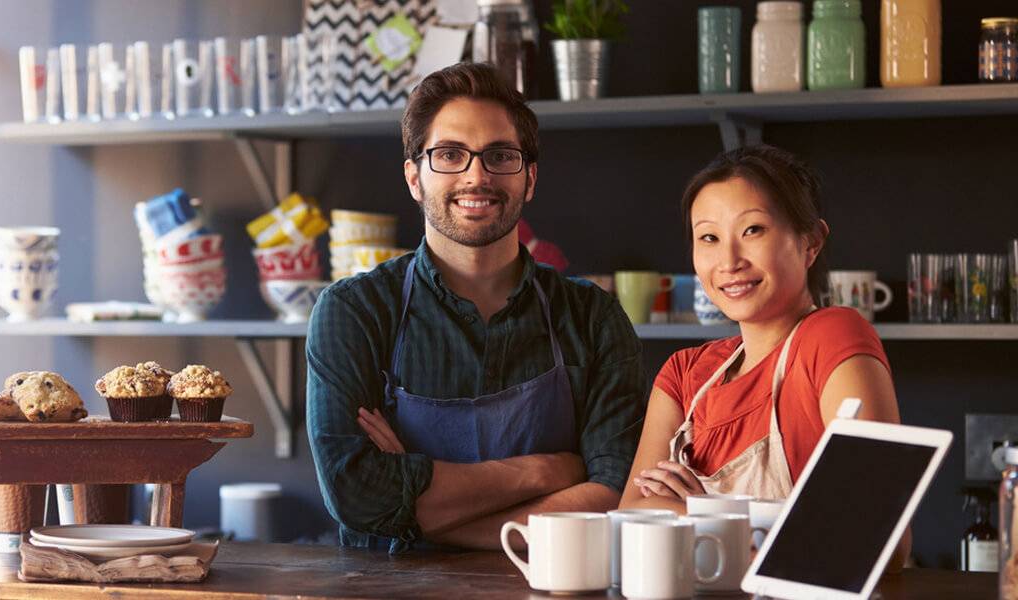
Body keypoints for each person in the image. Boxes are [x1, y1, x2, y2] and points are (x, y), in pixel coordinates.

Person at [305, 63, 647, 553]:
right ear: (414, 178)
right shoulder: (354, 312)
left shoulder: (593, 317)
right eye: (449, 155)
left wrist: (414, 513)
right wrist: (548, 471)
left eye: (500, 156)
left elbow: (613, 497)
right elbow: (356, 495)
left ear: (529, 178)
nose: (476, 176)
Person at [618, 144, 908, 566]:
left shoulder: (831, 338)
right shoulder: (685, 374)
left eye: (753, 230)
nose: (729, 261)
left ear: (810, 242)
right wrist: (754, 533)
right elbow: (628, 519)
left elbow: (879, 538)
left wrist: (702, 512)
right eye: (709, 238)